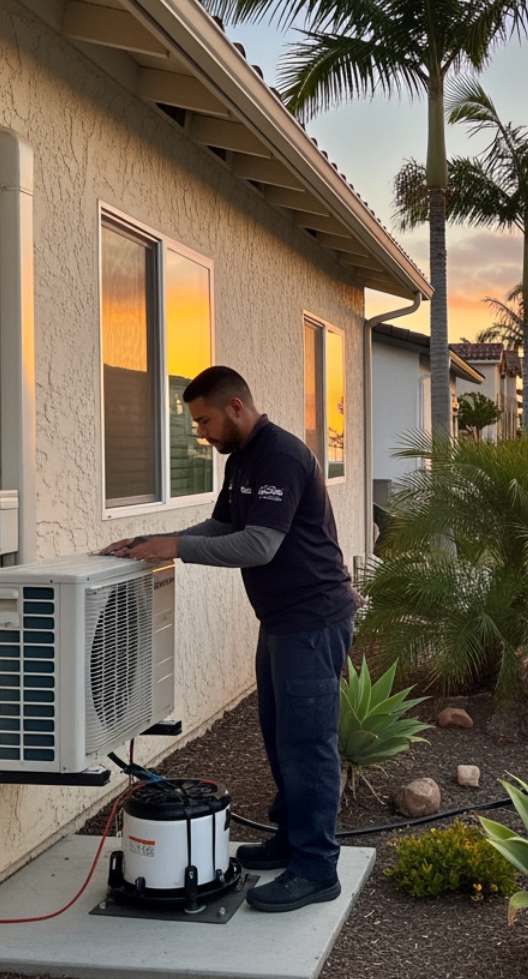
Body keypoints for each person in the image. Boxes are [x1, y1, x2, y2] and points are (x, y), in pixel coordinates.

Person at [101, 365, 357, 913]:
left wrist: (176, 548)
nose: (201, 433)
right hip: (282, 620)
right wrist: (158, 539)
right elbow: (224, 528)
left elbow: (260, 545)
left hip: (313, 620)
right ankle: (291, 839)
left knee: (308, 744)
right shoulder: (242, 458)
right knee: (280, 734)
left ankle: (317, 868)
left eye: (205, 421)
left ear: (235, 407)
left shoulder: (281, 456)